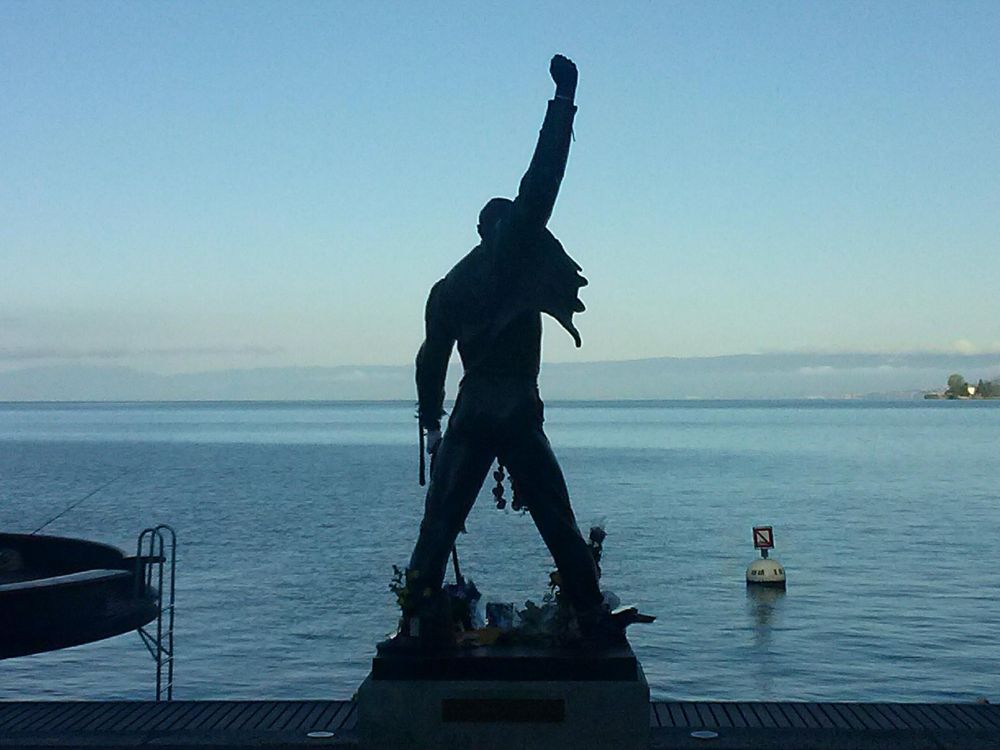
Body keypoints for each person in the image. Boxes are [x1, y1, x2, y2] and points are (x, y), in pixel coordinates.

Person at [392, 54, 619, 649]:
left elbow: (430, 359)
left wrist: (431, 425)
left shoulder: (447, 287)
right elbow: (544, 177)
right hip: (515, 410)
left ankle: (416, 621)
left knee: (438, 526)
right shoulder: (516, 246)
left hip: (470, 412)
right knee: (556, 521)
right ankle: (591, 614)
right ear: (503, 226)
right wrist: (565, 100)